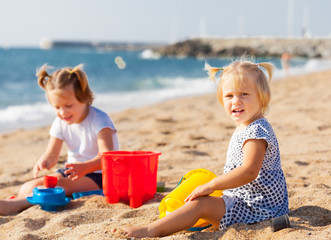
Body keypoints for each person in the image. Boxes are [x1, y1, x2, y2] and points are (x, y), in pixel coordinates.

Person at [125, 59, 289, 238]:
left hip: (258, 208)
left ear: (262, 96)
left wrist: (212, 185)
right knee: (198, 187)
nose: (236, 101)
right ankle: (177, 218)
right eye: (229, 96)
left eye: (244, 94)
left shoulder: (256, 132)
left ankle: (150, 230)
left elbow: (249, 171)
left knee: (200, 205)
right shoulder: (247, 125)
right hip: (247, 199)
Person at [0, 64, 119, 215]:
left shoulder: (100, 120)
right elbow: (52, 155)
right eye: (57, 107)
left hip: (101, 175)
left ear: (84, 97)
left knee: (45, 188)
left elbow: (108, 158)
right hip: (72, 172)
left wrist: (85, 167)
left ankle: (18, 204)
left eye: (68, 105)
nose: (62, 112)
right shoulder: (60, 122)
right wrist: (45, 161)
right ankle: (20, 202)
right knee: (28, 187)